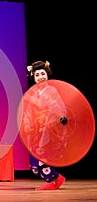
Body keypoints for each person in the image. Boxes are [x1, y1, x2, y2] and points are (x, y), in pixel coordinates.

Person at [25, 60, 66, 190]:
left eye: (43, 73)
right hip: (36, 130)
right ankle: (58, 178)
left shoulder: (51, 90)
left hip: (48, 128)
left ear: (47, 74)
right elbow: (28, 112)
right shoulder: (33, 93)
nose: (40, 77)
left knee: (41, 157)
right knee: (34, 162)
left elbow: (58, 107)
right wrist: (28, 123)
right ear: (33, 77)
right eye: (37, 75)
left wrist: (51, 120)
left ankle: (49, 182)